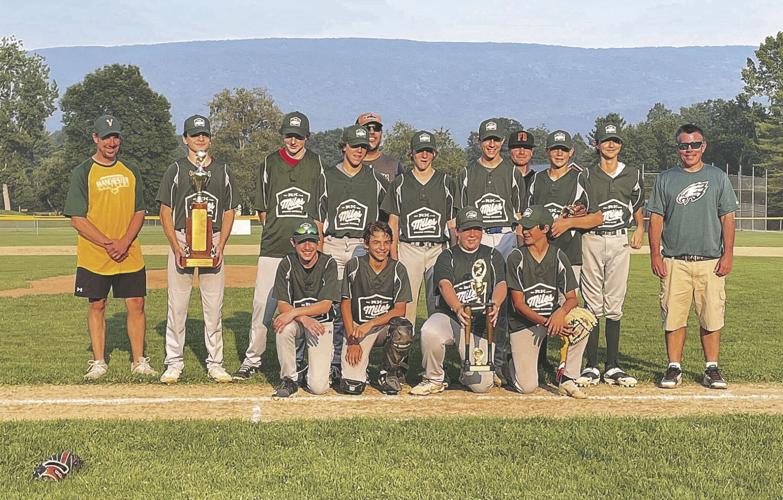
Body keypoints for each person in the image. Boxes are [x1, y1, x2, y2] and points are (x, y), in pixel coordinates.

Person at [64, 114, 156, 380]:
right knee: (97, 304)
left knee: (136, 303)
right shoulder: (83, 172)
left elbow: (139, 211)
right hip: (96, 254)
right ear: (95, 138)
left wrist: (124, 242)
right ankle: (99, 361)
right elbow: (77, 220)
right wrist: (108, 243)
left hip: (128, 252)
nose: (112, 142)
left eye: (115, 136)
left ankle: (139, 360)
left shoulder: (131, 170)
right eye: (106, 137)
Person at [235, 111, 326, 380]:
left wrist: (315, 246)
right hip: (273, 247)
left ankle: (302, 360)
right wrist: (277, 230)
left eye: (298, 136)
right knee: (263, 305)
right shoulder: (269, 163)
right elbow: (263, 209)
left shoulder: (316, 164)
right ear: (282, 136)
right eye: (289, 135)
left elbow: (320, 208)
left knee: (303, 306)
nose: (293, 141)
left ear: (307, 137)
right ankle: (252, 359)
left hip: (305, 251)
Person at [647, 123, 737, 389]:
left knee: (711, 316)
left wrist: (728, 254)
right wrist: (655, 254)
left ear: (703, 146)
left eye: (695, 144)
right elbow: (656, 218)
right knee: (674, 316)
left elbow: (727, 218)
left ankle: (712, 368)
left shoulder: (717, 176)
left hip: (709, 260)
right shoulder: (666, 178)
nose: (689, 150)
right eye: (684, 145)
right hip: (675, 260)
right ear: (678, 148)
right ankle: (674, 367)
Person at [157, 114, 238, 384]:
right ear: (185, 139)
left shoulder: (223, 170)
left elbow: (229, 210)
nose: (200, 139)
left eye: (204, 134)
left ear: (210, 138)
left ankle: (215, 363)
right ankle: (174, 362)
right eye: (194, 135)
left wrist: (222, 245)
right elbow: (165, 211)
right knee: (177, 306)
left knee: (213, 307)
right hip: (182, 239)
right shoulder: (176, 169)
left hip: (212, 240)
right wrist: (174, 245)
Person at [573, 123, 645, 388]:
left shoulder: (632, 174)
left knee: (615, 301)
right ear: (597, 145)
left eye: (615, 141)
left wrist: (640, 228)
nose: (611, 145)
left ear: (620, 145)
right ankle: (591, 365)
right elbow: (579, 208)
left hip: (618, 238)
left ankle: (612, 365)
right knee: (592, 302)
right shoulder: (586, 176)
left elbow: (637, 204)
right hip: (592, 238)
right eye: (606, 141)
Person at [318, 124, 390, 382]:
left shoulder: (375, 179)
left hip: (362, 245)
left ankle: (358, 357)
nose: (359, 150)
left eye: (363, 147)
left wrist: (384, 245)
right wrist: (319, 248)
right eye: (354, 145)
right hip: (334, 243)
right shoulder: (327, 177)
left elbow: (390, 213)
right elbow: (318, 216)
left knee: (361, 302)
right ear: (344, 146)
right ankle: (335, 360)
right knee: (336, 304)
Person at [456, 119, 526, 381]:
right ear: (479, 141)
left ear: (502, 143)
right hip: (478, 236)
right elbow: (459, 218)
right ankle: (474, 358)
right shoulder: (466, 173)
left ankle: (498, 362)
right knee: (476, 296)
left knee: (502, 299)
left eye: (496, 140)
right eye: (488, 139)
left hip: (505, 235)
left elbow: (518, 215)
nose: (492, 144)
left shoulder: (512, 173)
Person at [410, 208, 507, 395]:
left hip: (479, 324)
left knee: (481, 387)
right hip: (452, 318)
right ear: (457, 232)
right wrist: (457, 306)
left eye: (477, 229)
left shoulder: (493, 255)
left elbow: (501, 284)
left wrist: (495, 303)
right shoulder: (447, 256)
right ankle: (434, 378)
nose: (472, 234)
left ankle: (465, 373)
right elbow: (444, 284)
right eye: (467, 229)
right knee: (429, 330)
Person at [505, 205, 586, 399]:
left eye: (530, 227)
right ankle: (509, 363)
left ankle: (568, 378)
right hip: (524, 324)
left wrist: (560, 313)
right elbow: (518, 304)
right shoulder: (516, 257)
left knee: (584, 321)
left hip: (551, 316)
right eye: (523, 227)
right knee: (527, 387)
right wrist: (548, 322)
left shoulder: (558, 256)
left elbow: (572, 298)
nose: (524, 232)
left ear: (545, 229)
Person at [527, 129, 590, 373]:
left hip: (569, 254)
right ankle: (539, 360)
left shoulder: (580, 179)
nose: (559, 153)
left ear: (571, 152)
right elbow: (527, 217)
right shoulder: (537, 180)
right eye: (555, 149)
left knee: (569, 310)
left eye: (564, 150)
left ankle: (567, 366)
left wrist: (570, 221)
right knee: (539, 304)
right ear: (547, 151)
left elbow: (595, 216)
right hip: (539, 255)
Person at [382, 130, 456, 332]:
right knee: (405, 307)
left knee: (439, 305)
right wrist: (394, 258)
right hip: (409, 248)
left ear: (435, 154)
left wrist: (455, 255)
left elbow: (452, 223)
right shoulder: (400, 183)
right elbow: (393, 223)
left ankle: (435, 358)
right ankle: (401, 358)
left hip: (437, 249)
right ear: (411, 154)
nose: (424, 155)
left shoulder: (446, 182)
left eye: (428, 151)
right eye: (419, 151)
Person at [339, 221, 413, 395]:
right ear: (366, 244)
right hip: (357, 328)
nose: (382, 247)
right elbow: (345, 305)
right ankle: (361, 372)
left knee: (403, 329)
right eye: (376, 242)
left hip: (382, 327)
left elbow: (399, 310)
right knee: (352, 386)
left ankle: (388, 372)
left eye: (386, 242)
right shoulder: (354, 266)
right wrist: (352, 340)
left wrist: (371, 324)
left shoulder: (398, 269)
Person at [270, 219, 340, 397]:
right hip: (300, 323)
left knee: (318, 388)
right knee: (282, 326)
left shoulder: (328, 263)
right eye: (302, 241)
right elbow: (282, 304)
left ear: (319, 242)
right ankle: (289, 379)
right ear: (293, 243)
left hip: (321, 325)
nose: (307, 246)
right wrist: (303, 318)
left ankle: (305, 370)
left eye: (312, 241)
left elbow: (326, 305)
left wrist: (295, 312)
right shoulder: (286, 263)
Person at [356, 112, 405, 183]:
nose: (372, 132)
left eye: (376, 128)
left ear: (381, 133)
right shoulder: (346, 165)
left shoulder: (395, 166)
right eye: (367, 128)